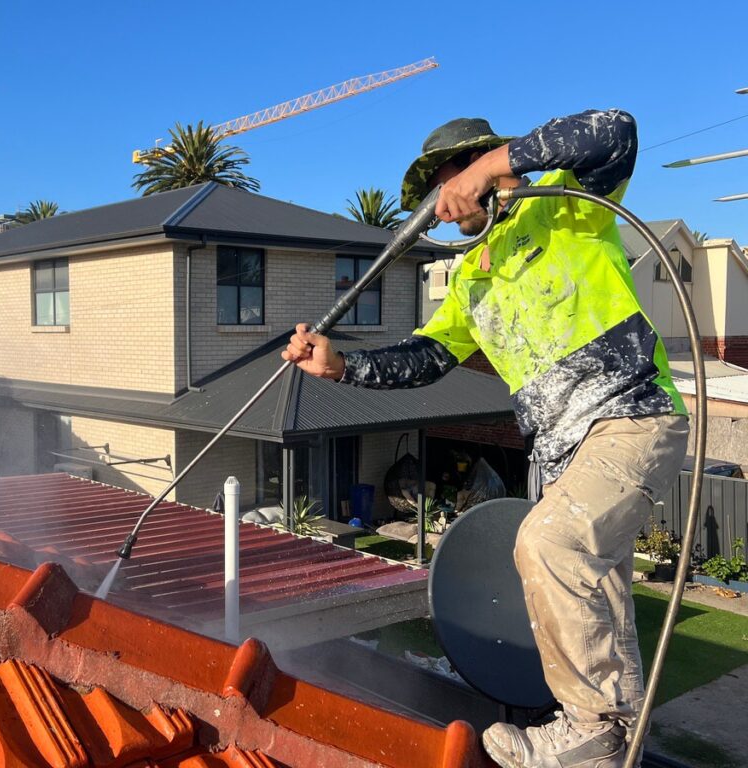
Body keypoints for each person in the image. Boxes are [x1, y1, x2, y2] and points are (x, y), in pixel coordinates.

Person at [283, 109, 688, 768]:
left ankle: (586, 726)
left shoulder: (566, 200)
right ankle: (616, 747)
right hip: (561, 454)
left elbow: (617, 128)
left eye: (450, 177)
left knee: (549, 543)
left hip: (627, 415)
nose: (444, 200)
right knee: (602, 611)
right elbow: (428, 357)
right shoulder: (473, 278)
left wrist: (493, 166)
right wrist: (340, 366)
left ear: (480, 165)